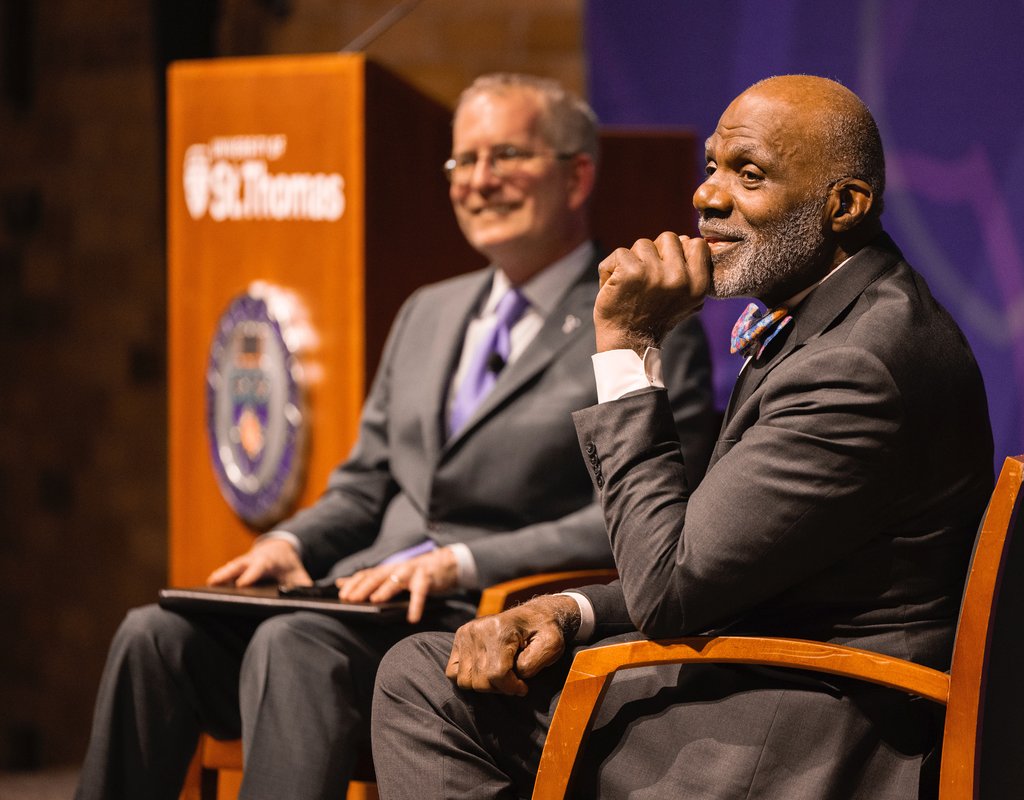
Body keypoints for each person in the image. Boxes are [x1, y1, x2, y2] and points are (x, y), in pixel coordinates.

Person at [75, 73, 713, 800]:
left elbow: (647, 516)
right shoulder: (427, 312)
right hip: (364, 594)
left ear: (576, 176)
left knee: (295, 643)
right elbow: (366, 480)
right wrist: (291, 544)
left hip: (480, 616)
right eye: (464, 161)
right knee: (153, 634)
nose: (481, 179)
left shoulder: (638, 322)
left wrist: (460, 561)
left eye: (506, 155)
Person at [371, 74, 995, 799]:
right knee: (436, 663)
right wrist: (566, 613)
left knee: (422, 681)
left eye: (749, 174)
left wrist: (627, 346)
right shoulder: (850, 315)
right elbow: (725, 559)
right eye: (712, 167)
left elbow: (672, 588)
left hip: (809, 731)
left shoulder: (854, 365)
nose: (707, 196)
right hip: (772, 674)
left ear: (844, 206)